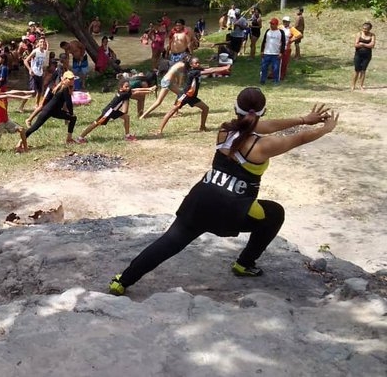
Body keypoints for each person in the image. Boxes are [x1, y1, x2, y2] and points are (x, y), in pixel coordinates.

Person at [108, 88, 338, 296]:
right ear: (263, 111)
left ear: (236, 109)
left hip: (201, 199)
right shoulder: (264, 146)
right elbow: (299, 137)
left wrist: (303, 119)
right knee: (275, 213)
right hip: (232, 211)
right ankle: (244, 263)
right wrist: (325, 129)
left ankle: (122, 281)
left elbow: (260, 126)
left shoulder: (225, 129)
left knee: (169, 242)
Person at [156, 56, 231, 135]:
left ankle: (202, 127)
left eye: (199, 62)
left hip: (192, 97)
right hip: (184, 96)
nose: (198, 64)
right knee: (172, 111)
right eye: (196, 63)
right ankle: (159, 130)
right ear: (191, 65)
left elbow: (210, 69)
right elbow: (211, 71)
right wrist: (225, 68)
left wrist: (223, 68)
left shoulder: (197, 70)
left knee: (205, 108)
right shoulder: (193, 72)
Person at [75, 78, 156, 143]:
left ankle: (127, 136)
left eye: (128, 86)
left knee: (126, 117)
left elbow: (135, 89)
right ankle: (80, 137)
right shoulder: (124, 94)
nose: (128, 88)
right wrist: (149, 90)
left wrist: (149, 89)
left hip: (114, 111)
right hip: (109, 112)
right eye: (126, 86)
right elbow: (136, 92)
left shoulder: (124, 91)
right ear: (121, 88)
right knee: (96, 123)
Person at [25, 71, 78, 144]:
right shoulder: (65, 88)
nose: (72, 80)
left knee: (73, 118)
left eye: (72, 79)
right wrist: (71, 113)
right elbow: (69, 103)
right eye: (70, 79)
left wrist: (70, 115)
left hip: (56, 111)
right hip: (48, 111)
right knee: (34, 127)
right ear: (65, 79)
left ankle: (69, 139)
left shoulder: (60, 86)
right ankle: (21, 141)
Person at [20, 37, 48, 112]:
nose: (42, 43)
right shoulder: (35, 51)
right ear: (38, 43)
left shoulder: (45, 52)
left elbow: (43, 64)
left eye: (44, 42)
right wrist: (30, 69)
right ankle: (21, 106)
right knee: (32, 92)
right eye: (41, 42)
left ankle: (36, 105)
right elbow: (25, 61)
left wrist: (44, 72)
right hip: (34, 74)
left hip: (40, 74)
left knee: (40, 91)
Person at [259, 18, 286, 85]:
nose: (271, 25)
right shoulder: (268, 31)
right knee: (264, 67)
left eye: (273, 24)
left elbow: (283, 43)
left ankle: (275, 81)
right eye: (270, 24)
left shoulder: (281, 32)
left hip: (276, 54)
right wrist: (262, 51)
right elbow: (264, 41)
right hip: (267, 53)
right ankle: (262, 80)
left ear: (276, 24)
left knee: (276, 68)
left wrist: (281, 52)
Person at [352, 22, 376, 91]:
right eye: (363, 28)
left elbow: (372, 45)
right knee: (357, 70)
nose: (364, 30)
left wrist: (362, 44)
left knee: (363, 70)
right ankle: (353, 85)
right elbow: (356, 45)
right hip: (358, 55)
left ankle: (361, 86)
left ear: (369, 29)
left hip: (367, 55)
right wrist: (367, 45)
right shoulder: (359, 34)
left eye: (366, 29)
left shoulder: (372, 35)